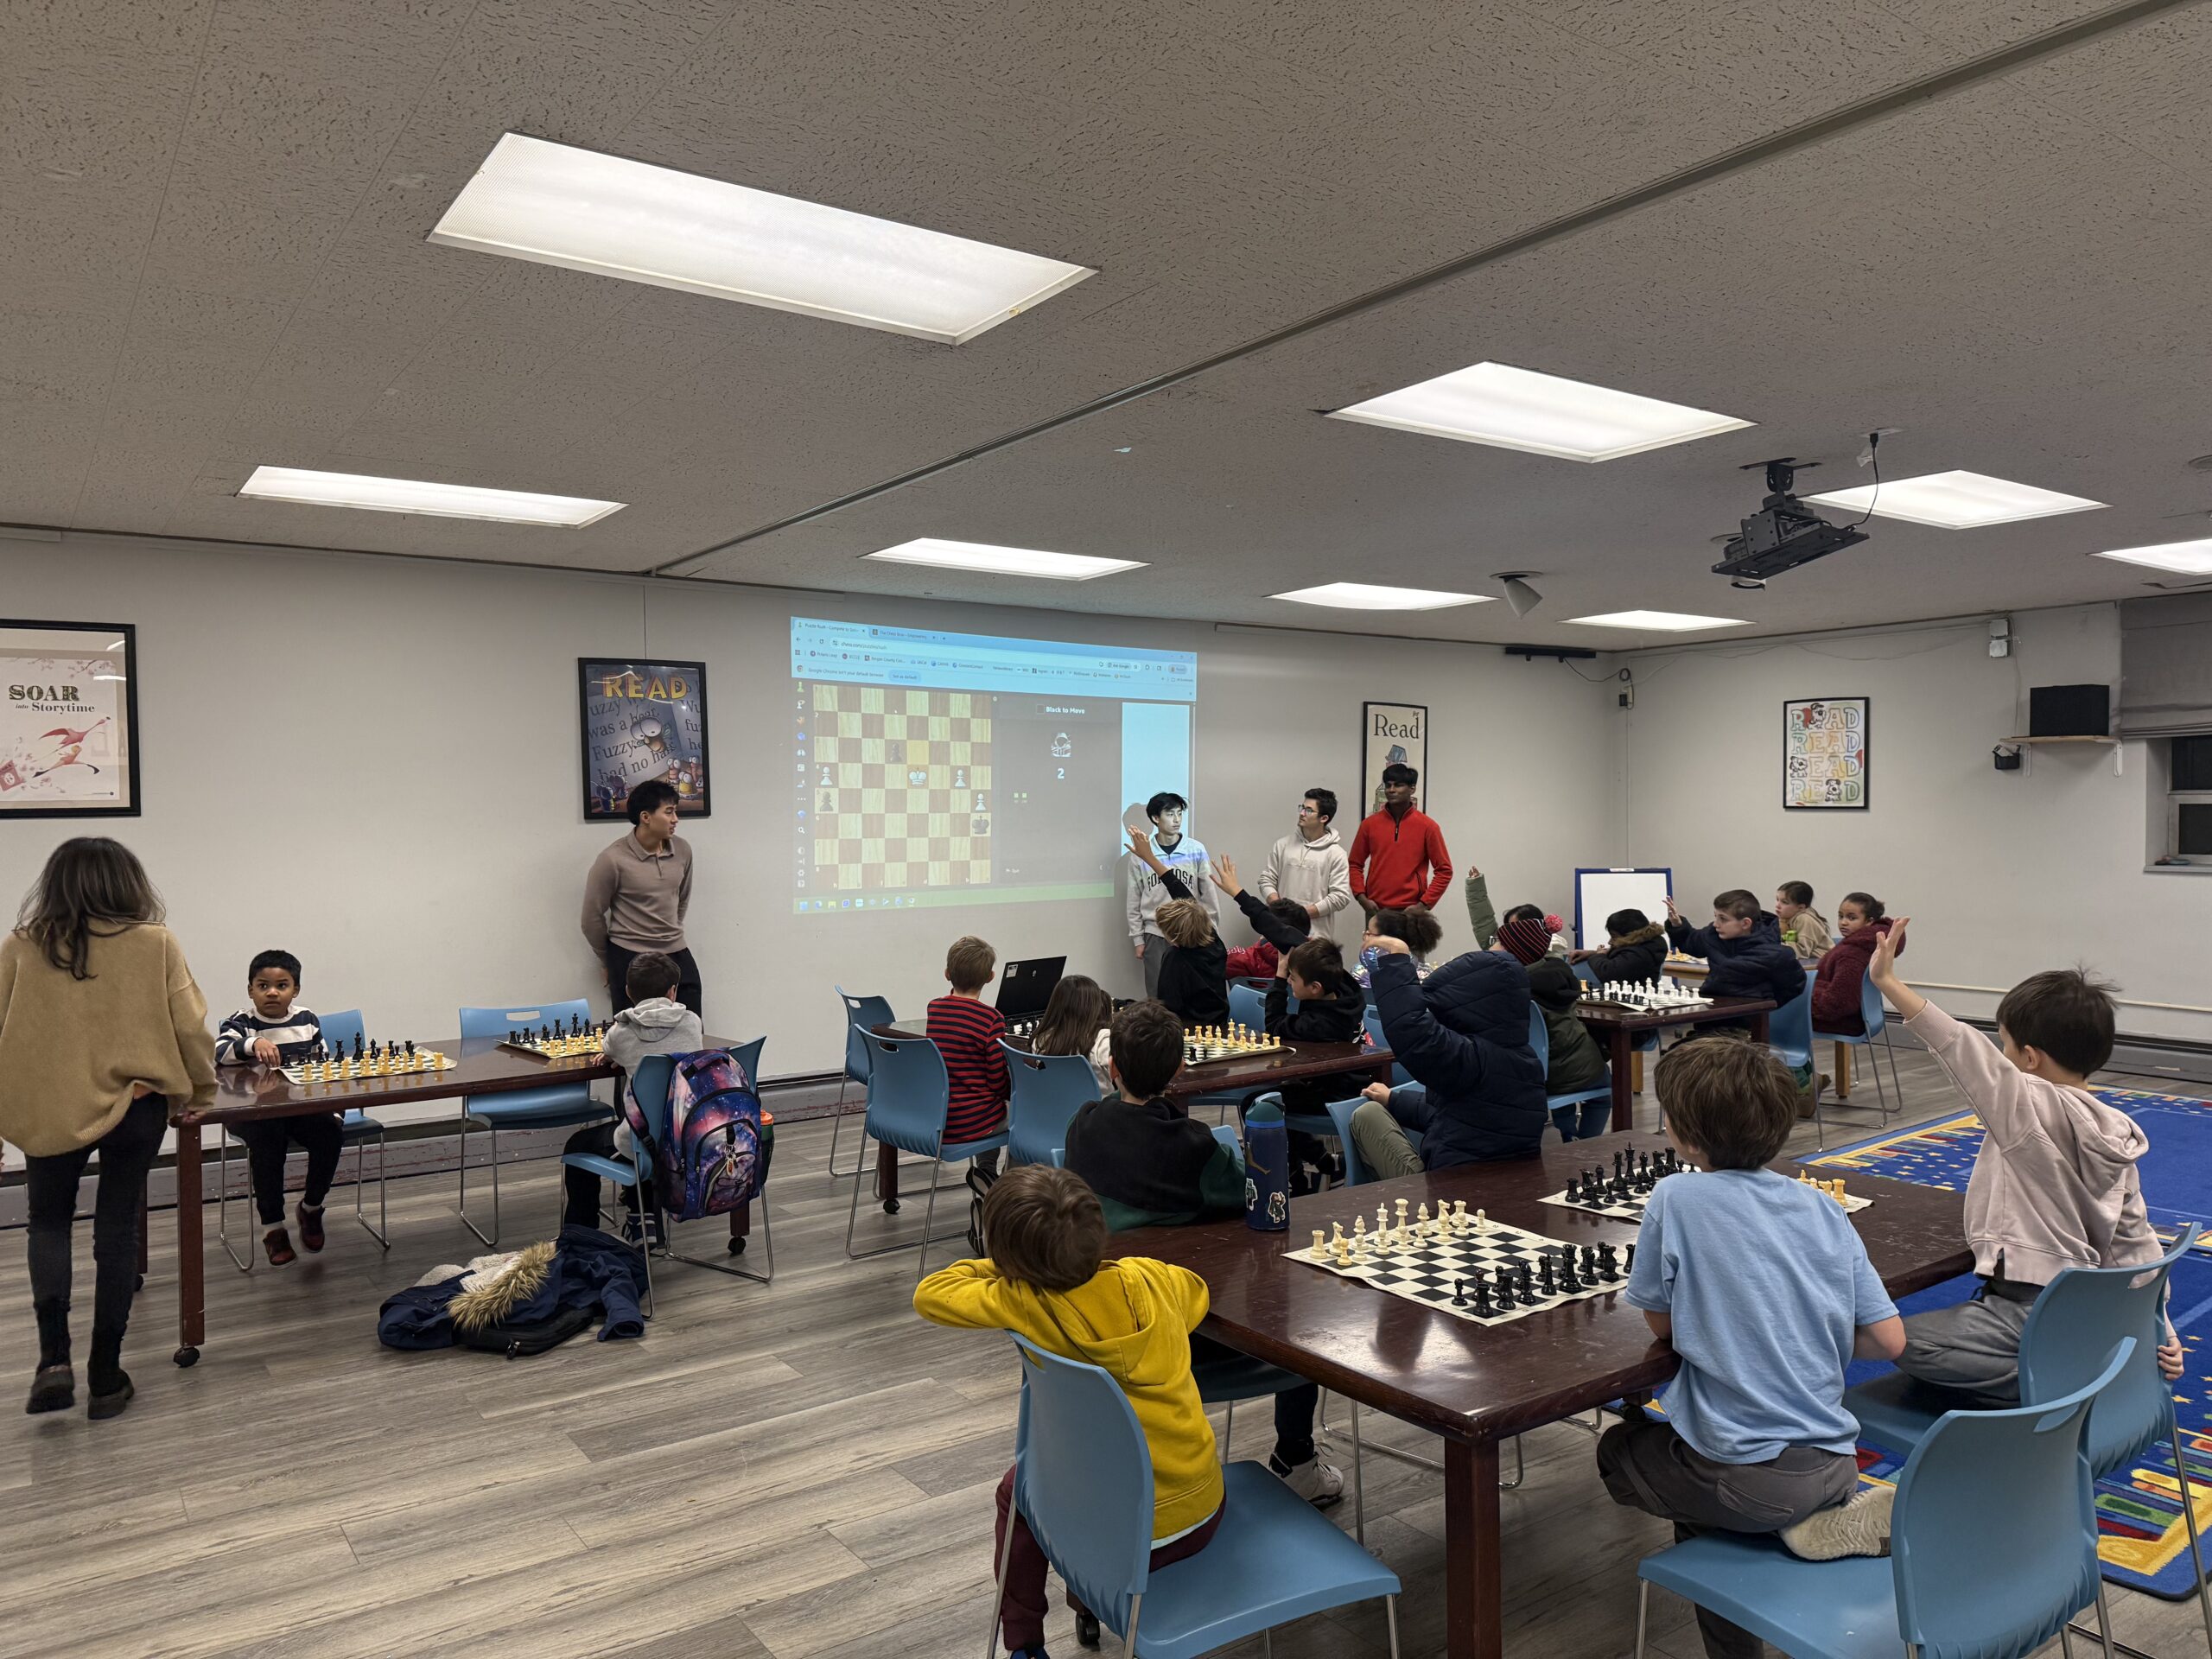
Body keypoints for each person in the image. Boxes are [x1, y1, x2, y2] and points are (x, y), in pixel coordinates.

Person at [1596, 1038, 1908, 1658]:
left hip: (1752, 1480)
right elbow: (1888, 1339)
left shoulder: (1676, 1197)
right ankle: (1808, 1526)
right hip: (1836, 1463)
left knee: (1620, 1453)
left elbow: (1661, 1324)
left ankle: (1767, 1563)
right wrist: (1799, 1324)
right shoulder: (1822, 1208)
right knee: (1701, 1474)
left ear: (1683, 1134)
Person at [914, 1165, 1224, 1659]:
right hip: (1200, 1511)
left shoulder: (1021, 1302)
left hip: (1105, 1539)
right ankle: (1088, 1602)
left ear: (1006, 1257)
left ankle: (1025, 1643)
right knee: (1093, 1476)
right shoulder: (1150, 1280)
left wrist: (1004, 1269)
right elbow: (1197, 1290)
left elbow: (931, 1294)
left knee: (1015, 1493)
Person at [1867, 920, 2181, 1404]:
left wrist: (1888, 983)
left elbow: (1960, 1046)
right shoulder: (2114, 1129)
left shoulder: (2028, 1107)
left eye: (2005, 1046)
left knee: (1901, 1342)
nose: (2000, 1056)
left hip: (2032, 1303)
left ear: (2030, 1059)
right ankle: (2083, 1357)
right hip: (2076, 1302)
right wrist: (2160, 1326)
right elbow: (2133, 1240)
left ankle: (2059, 1380)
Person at [1062, 1003, 1344, 1508]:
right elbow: (1249, 1194)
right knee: (1300, 1322)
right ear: (1179, 1070)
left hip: (1102, 1322)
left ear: (1112, 1067)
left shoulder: (1082, 1124)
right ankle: (1296, 1460)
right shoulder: (1192, 1147)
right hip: (1190, 1331)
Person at [1, 838, 217, 1420]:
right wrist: (198, 1092)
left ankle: (53, 1362)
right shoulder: (155, 942)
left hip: (48, 1107)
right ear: (129, 882)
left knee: (48, 1223)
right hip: (137, 1104)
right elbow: (191, 1026)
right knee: (117, 1231)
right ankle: (105, 1375)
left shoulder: (21, 946)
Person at [1349, 918, 1547, 1178]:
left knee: (1366, 1115)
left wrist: (1395, 961)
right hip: (1508, 1184)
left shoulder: (1472, 1059)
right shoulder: (1525, 1061)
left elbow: (1414, 1032)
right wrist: (1395, 1100)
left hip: (1452, 1188)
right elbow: (1453, 1115)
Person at [561, 950, 704, 1230]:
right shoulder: (693, 1023)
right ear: (673, 991)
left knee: (578, 1144)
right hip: (688, 1139)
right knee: (649, 1129)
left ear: (627, 991)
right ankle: (642, 1218)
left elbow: (610, 1049)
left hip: (644, 1144)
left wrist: (615, 1055)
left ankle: (582, 1235)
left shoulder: (621, 1033)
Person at [214, 949, 337, 1265]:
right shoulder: (241, 1022)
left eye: (282, 985)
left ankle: (311, 1208)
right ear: (250, 990)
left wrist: (331, 1107)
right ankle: (273, 1228)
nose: (272, 992)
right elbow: (219, 1051)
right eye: (263, 985)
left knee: (330, 1132)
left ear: (295, 990)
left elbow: (323, 1064)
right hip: (253, 1112)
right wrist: (253, 1043)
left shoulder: (307, 1020)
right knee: (268, 1142)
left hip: (298, 1108)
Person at [581, 779, 702, 1019]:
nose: (675, 819)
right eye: (669, 812)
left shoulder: (683, 850)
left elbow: (681, 898)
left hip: (676, 951)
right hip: (629, 955)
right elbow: (591, 918)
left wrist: (669, 931)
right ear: (646, 817)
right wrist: (608, 961)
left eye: (675, 811)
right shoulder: (612, 859)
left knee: (691, 1026)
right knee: (633, 1034)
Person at [1496, 915, 1611, 1140]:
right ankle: (1584, 1144)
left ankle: (1569, 1134)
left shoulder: (1509, 985)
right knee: (1602, 1095)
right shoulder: (1561, 975)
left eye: (1499, 943)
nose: (1494, 946)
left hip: (1533, 1076)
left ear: (1513, 951)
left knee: (1558, 1074)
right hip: (1577, 1067)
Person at [1126, 828, 1228, 1027]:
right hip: (1219, 1026)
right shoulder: (1214, 943)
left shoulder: (1175, 958)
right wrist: (1150, 858)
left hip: (1186, 1031)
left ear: (1172, 936)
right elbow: (1180, 890)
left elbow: (1166, 1008)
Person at [1125, 791, 1219, 999]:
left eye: (1179, 813)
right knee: (1158, 993)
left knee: (1192, 992)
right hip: (1156, 933)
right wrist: (1138, 939)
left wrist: (1212, 931)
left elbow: (1208, 894)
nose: (1177, 820)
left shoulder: (1195, 849)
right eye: (1170, 814)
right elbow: (1134, 899)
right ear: (1155, 818)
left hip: (1192, 932)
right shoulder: (1141, 854)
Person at [1665, 889, 1807, 1014]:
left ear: (1745, 923)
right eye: (1716, 916)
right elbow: (1691, 942)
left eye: (1723, 919)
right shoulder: (1713, 935)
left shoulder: (1776, 954)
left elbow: (1793, 986)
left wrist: (1765, 1006)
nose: (1716, 924)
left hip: (1748, 1022)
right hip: (1711, 1014)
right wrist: (1678, 925)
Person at [1348, 762, 1452, 919]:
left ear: (1412, 788)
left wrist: (1423, 905)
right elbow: (1354, 864)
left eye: (1398, 785)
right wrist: (1361, 897)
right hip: (1376, 909)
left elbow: (1444, 870)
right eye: (1388, 785)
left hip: (1411, 911)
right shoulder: (1369, 825)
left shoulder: (1428, 827)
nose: (1391, 790)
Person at [1259, 786, 1355, 947]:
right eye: (1302, 808)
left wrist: (1301, 915)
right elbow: (1266, 879)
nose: (1302, 813)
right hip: (1277, 931)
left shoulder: (1336, 854)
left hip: (1315, 938)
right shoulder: (1282, 845)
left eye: (1309, 810)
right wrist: (1279, 909)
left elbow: (1340, 897)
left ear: (1324, 818)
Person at [1810, 891, 1899, 1033]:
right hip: (1866, 1015)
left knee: (1781, 1009)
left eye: (1852, 918)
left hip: (1845, 1021)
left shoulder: (1852, 955)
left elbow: (1839, 1003)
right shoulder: (1871, 945)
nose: (1843, 922)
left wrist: (1807, 994)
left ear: (1869, 921)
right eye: (1841, 916)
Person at [1028, 972, 1116, 1093]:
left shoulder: (1041, 1039)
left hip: (1056, 1103)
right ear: (1093, 1006)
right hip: (1099, 1104)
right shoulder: (1102, 1041)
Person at [1570, 906, 1669, 985]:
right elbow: (1622, 954)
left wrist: (1598, 955)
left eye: (1614, 937)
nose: (1610, 942)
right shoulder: (1644, 944)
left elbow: (1608, 973)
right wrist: (1593, 953)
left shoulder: (1642, 953)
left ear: (1629, 936)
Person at [1775, 880, 1833, 963]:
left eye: (1784, 902)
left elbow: (1802, 951)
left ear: (1801, 908)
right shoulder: (1786, 918)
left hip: (1822, 963)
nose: (1777, 905)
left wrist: (1774, 945)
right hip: (1810, 961)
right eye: (1777, 900)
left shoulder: (1805, 919)